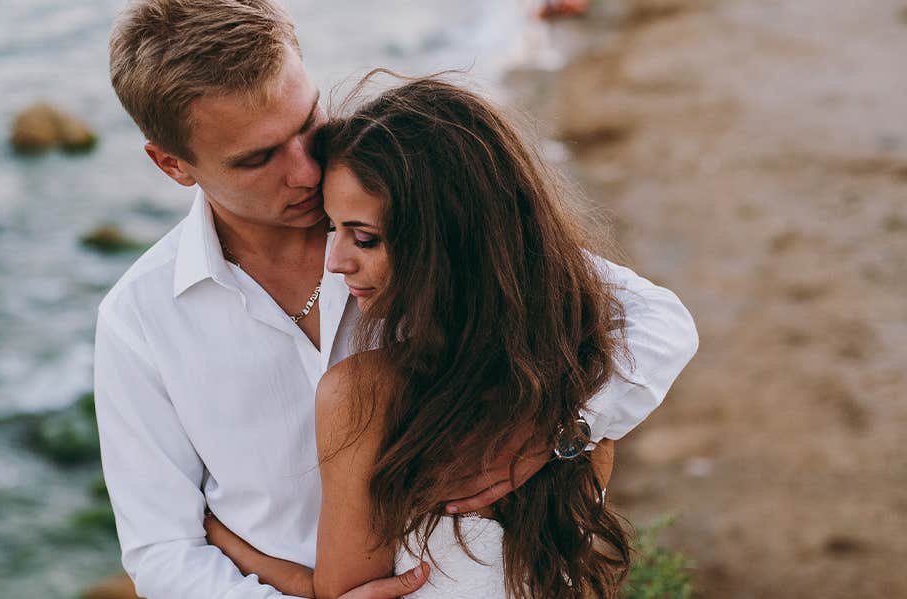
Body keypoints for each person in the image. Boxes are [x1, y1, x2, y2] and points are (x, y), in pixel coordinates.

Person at [94, 1, 699, 597]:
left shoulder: (416, 220)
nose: (306, 171)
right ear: (172, 164)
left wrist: (560, 428)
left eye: (308, 124)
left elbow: (657, 322)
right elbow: (164, 553)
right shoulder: (140, 319)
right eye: (258, 158)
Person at [203, 74, 647, 598]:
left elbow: (337, 593)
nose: (336, 261)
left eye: (363, 238)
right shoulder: (579, 407)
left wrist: (227, 542)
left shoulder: (364, 395)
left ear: (446, 243)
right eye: (332, 228)